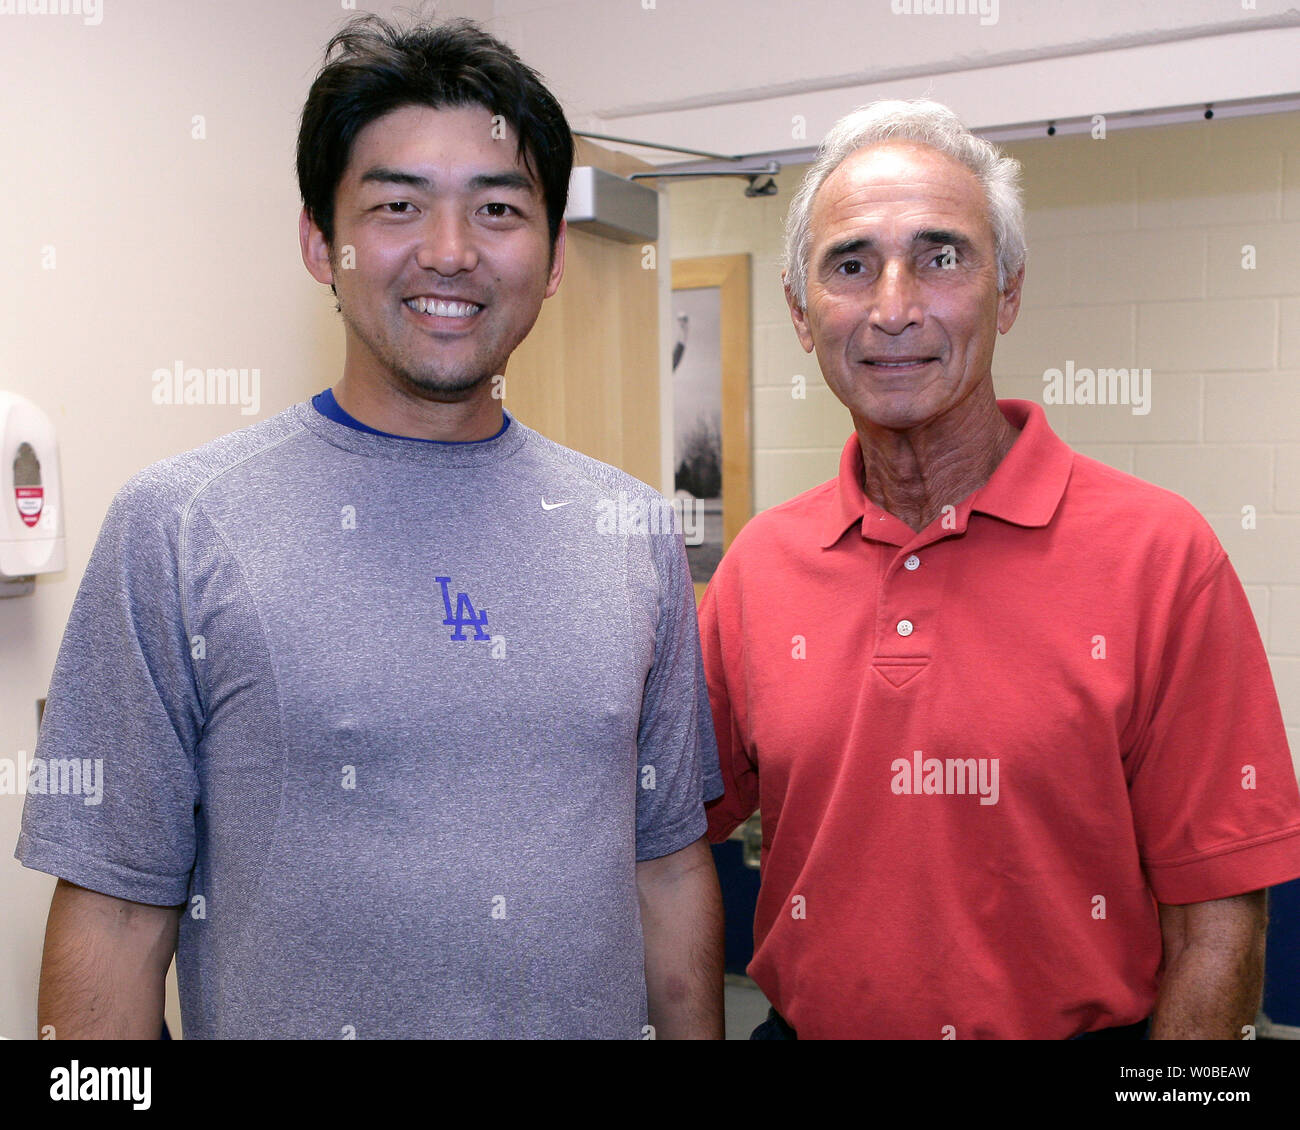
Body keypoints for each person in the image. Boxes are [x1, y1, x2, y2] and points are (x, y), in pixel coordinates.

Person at [16, 14, 723, 1040]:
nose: (450, 252)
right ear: (320, 240)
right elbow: (117, 913)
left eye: (497, 209)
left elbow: (664, 867)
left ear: (554, 254)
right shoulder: (178, 527)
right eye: (398, 205)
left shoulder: (630, 531)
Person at [700, 98, 1300, 1040]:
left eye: (941, 258)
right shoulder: (758, 571)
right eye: (851, 266)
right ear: (801, 312)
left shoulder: (1161, 557)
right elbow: (671, 845)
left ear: (1008, 293)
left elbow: (1223, 915)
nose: (894, 308)